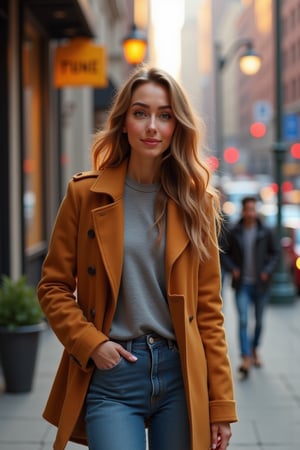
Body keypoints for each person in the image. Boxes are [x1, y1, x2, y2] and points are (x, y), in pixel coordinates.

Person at [38, 65, 237, 450]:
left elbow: (209, 312)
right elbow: (53, 287)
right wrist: (91, 343)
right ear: (124, 122)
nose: (152, 126)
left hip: (179, 373)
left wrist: (221, 405)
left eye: (164, 116)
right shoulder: (85, 195)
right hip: (113, 373)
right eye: (140, 113)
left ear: (177, 126)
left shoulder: (197, 203)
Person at [221, 196, 279, 378]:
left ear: (256, 210)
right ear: (243, 211)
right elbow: (223, 253)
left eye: (253, 210)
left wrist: (267, 270)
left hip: (261, 284)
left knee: (259, 322)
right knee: (244, 321)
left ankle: (254, 349)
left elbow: (276, 253)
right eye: (247, 210)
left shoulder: (267, 231)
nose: (250, 213)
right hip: (242, 285)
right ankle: (245, 357)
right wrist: (233, 269)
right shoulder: (234, 231)